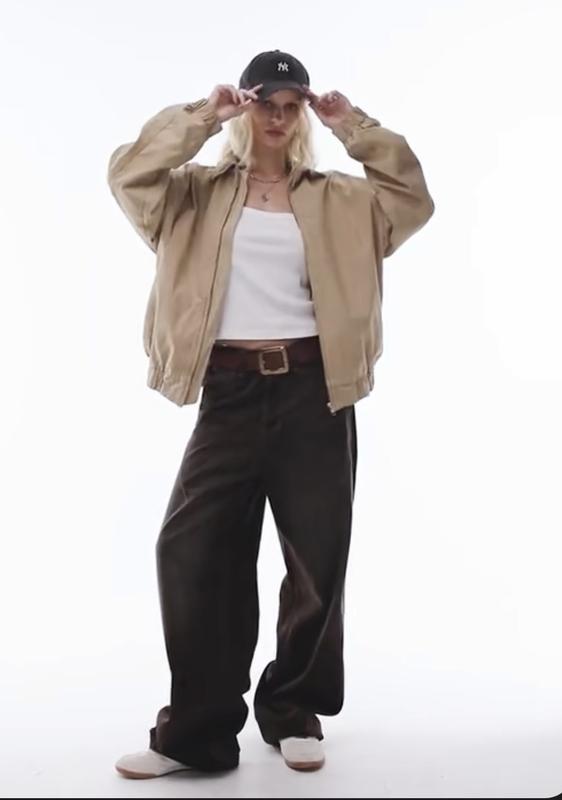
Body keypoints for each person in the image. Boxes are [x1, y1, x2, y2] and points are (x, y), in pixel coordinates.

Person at [107, 49, 434, 779]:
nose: (278, 119)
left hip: (316, 390)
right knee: (191, 553)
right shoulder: (191, 194)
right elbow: (128, 174)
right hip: (228, 391)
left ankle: (292, 708)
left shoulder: (341, 199)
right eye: (265, 105)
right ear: (246, 108)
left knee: (317, 556)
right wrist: (204, 115)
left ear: (303, 114)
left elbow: (412, 197)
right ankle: (197, 732)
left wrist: (354, 126)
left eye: (291, 107)